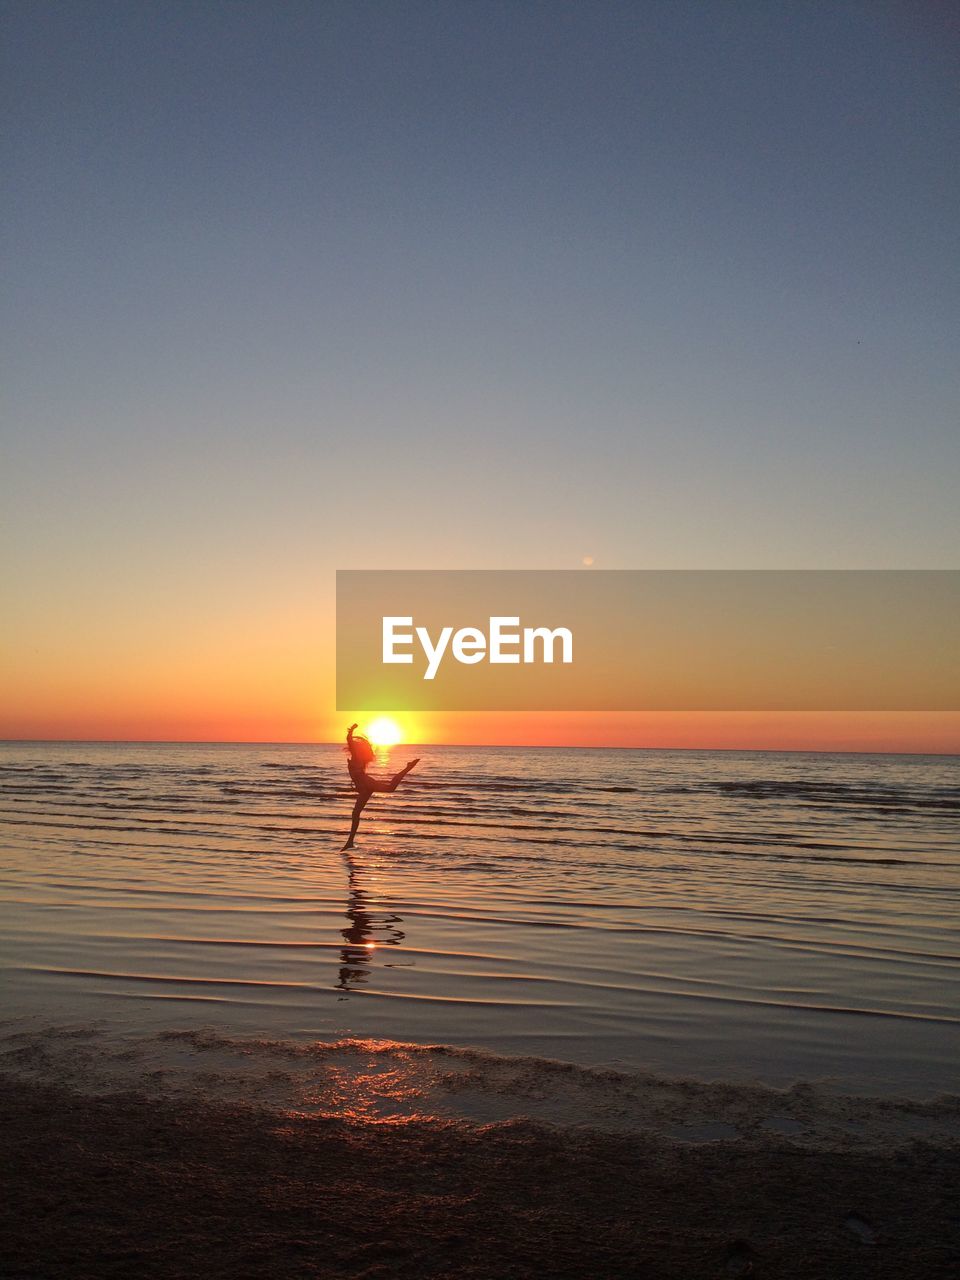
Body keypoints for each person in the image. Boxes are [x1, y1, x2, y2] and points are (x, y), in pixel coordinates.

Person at [341, 723, 419, 850]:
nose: (353, 747)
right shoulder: (360, 758)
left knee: (357, 812)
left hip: (366, 784)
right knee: (389, 789)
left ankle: (350, 841)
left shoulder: (356, 756)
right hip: (365, 786)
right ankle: (350, 842)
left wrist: (351, 730)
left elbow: (349, 741)